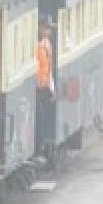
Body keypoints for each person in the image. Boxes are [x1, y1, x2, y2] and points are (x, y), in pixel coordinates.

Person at [35, 19, 56, 161]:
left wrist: (51, 87)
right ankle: (38, 148)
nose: (49, 32)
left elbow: (48, 69)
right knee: (39, 118)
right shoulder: (39, 46)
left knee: (43, 118)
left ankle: (41, 146)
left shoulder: (47, 45)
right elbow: (38, 67)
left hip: (45, 87)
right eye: (47, 28)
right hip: (39, 88)